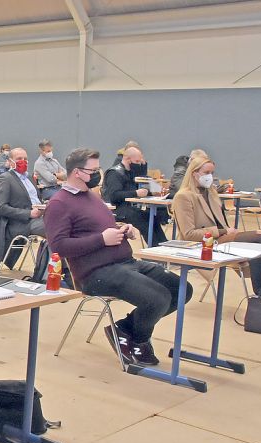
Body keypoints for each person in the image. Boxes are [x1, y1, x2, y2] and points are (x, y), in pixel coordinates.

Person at [45, 148, 192, 366]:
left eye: (98, 169)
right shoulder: (59, 204)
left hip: (125, 262)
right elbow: (59, 246)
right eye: (93, 170)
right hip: (95, 273)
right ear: (77, 172)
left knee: (181, 289)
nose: (98, 174)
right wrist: (101, 240)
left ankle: (124, 329)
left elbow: (101, 227)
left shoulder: (91, 197)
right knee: (157, 298)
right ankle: (138, 340)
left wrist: (123, 229)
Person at [172, 154, 261, 300]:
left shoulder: (211, 193)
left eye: (212, 173)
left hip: (222, 238)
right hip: (203, 244)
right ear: (194, 173)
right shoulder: (183, 197)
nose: (210, 176)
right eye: (206, 173)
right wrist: (223, 231)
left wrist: (226, 232)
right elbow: (189, 234)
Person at [0, 147, 46, 273]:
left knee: (63, 225)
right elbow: (1, 208)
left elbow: (36, 199)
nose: (23, 161)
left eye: (25, 159)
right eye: (19, 159)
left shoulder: (30, 178)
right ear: (10, 161)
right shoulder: (6, 178)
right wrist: (29, 213)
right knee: (55, 229)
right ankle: (50, 272)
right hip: (21, 222)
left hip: (39, 216)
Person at [103, 145, 168, 246]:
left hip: (132, 207)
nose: (139, 164)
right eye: (137, 162)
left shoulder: (133, 172)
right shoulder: (114, 173)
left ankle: (164, 247)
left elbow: (142, 187)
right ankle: (154, 249)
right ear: (128, 159)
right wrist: (136, 193)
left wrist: (151, 191)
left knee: (153, 219)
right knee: (145, 221)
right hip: (118, 209)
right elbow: (114, 195)